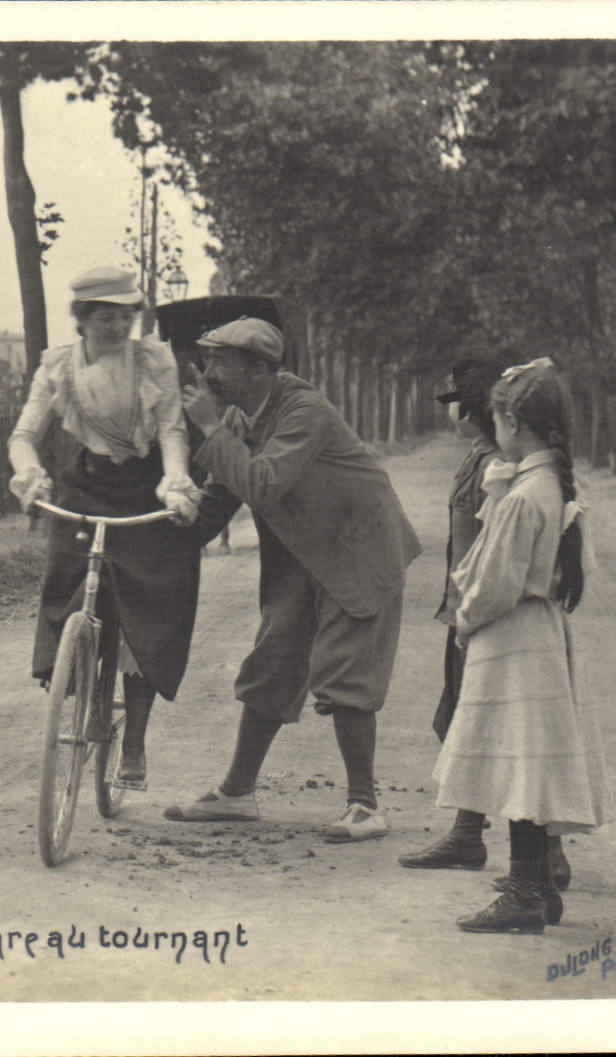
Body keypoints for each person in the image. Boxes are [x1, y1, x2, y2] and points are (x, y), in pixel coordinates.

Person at [169, 317, 421, 842]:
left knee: (344, 672)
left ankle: (365, 806)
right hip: (305, 558)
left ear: (260, 369)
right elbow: (220, 498)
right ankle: (237, 794)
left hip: (358, 554)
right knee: (273, 662)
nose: (208, 372)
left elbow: (262, 484)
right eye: (208, 359)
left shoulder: (302, 409)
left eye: (221, 362)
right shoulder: (241, 417)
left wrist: (213, 431)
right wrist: (166, 537)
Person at [433, 357, 612, 933]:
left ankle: (524, 894)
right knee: (525, 763)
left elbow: (493, 581)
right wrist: (499, 480)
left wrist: (465, 619)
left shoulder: (524, 498)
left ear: (511, 422)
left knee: (517, 765)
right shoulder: (543, 484)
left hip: (511, 640)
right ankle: (533, 888)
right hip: (535, 636)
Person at [8, 266, 201, 792]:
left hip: (146, 486)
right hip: (86, 485)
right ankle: (87, 694)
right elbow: (24, 434)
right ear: (82, 320)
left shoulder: (154, 360)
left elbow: (171, 430)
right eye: (104, 318)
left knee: (147, 608)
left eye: (124, 317)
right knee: (76, 592)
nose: (116, 328)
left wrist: (176, 481)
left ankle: (134, 741)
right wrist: (29, 476)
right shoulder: (59, 367)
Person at [398, 348, 521, 871]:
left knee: (499, 730)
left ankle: (543, 854)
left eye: (459, 404)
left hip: (485, 614)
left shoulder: (499, 464)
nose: (455, 415)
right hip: (463, 612)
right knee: (458, 722)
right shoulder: (477, 456)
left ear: (473, 411)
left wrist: (473, 613)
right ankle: (468, 833)